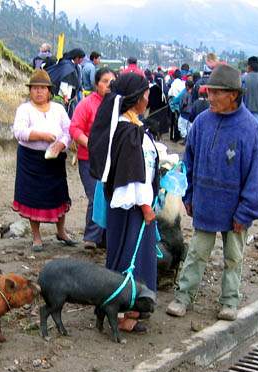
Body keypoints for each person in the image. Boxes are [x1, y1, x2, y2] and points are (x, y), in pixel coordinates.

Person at [165, 64, 258, 321]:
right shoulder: (202, 123)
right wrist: (188, 197)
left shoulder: (250, 129)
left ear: (233, 95)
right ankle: (184, 296)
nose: (209, 98)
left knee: (233, 257)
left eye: (216, 93)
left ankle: (230, 301)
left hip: (236, 208)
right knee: (197, 252)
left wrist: (246, 211)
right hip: (206, 202)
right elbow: (187, 162)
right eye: (208, 92)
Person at [89, 73, 159, 333]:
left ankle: (116, 310)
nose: (149, 99)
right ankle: (127, 314)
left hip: (124, 210)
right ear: (137, 99)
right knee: (133, 259)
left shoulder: (124, 126)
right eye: (146, 94)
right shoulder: (128, 132)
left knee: (120, 255)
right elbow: (133, 176)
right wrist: (146, 207)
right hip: (134, 210)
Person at [12, 69, 75, 252]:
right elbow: (19, 132)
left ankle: (61, 231)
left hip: (55, 159)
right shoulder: (24, 109)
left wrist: (60, 145)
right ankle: (36, 237)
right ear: (30, 90)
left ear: (49, 91)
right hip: (31, 160)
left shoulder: (58, 109)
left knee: (59, 194)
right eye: (35, 88)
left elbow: (68, 131)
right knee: (33, 197)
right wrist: (41, 135)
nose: (39, 91)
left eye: (43, 88)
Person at [69, 67, 116, 250]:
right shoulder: (87, 104)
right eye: (104, 81)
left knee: (108, 197)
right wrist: (91, 144)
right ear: (97, 84)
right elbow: (75, 129)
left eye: (112, 81)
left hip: (111, 160)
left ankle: (104, 237)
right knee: (94, 195)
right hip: (88, 158)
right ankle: (91, 237)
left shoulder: (117, 104)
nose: (108, 85)